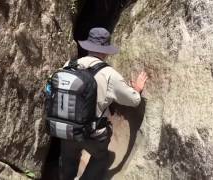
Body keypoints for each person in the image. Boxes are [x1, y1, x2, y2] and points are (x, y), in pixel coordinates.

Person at [60, 27, 148, 180]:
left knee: (68, 160)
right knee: (101, 158)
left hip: (65, 127)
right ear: (106, 50)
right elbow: (134, 101)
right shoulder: (109, 74)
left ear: (87, 46)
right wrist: (137, 89)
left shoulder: (69, 65)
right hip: (92, 134)